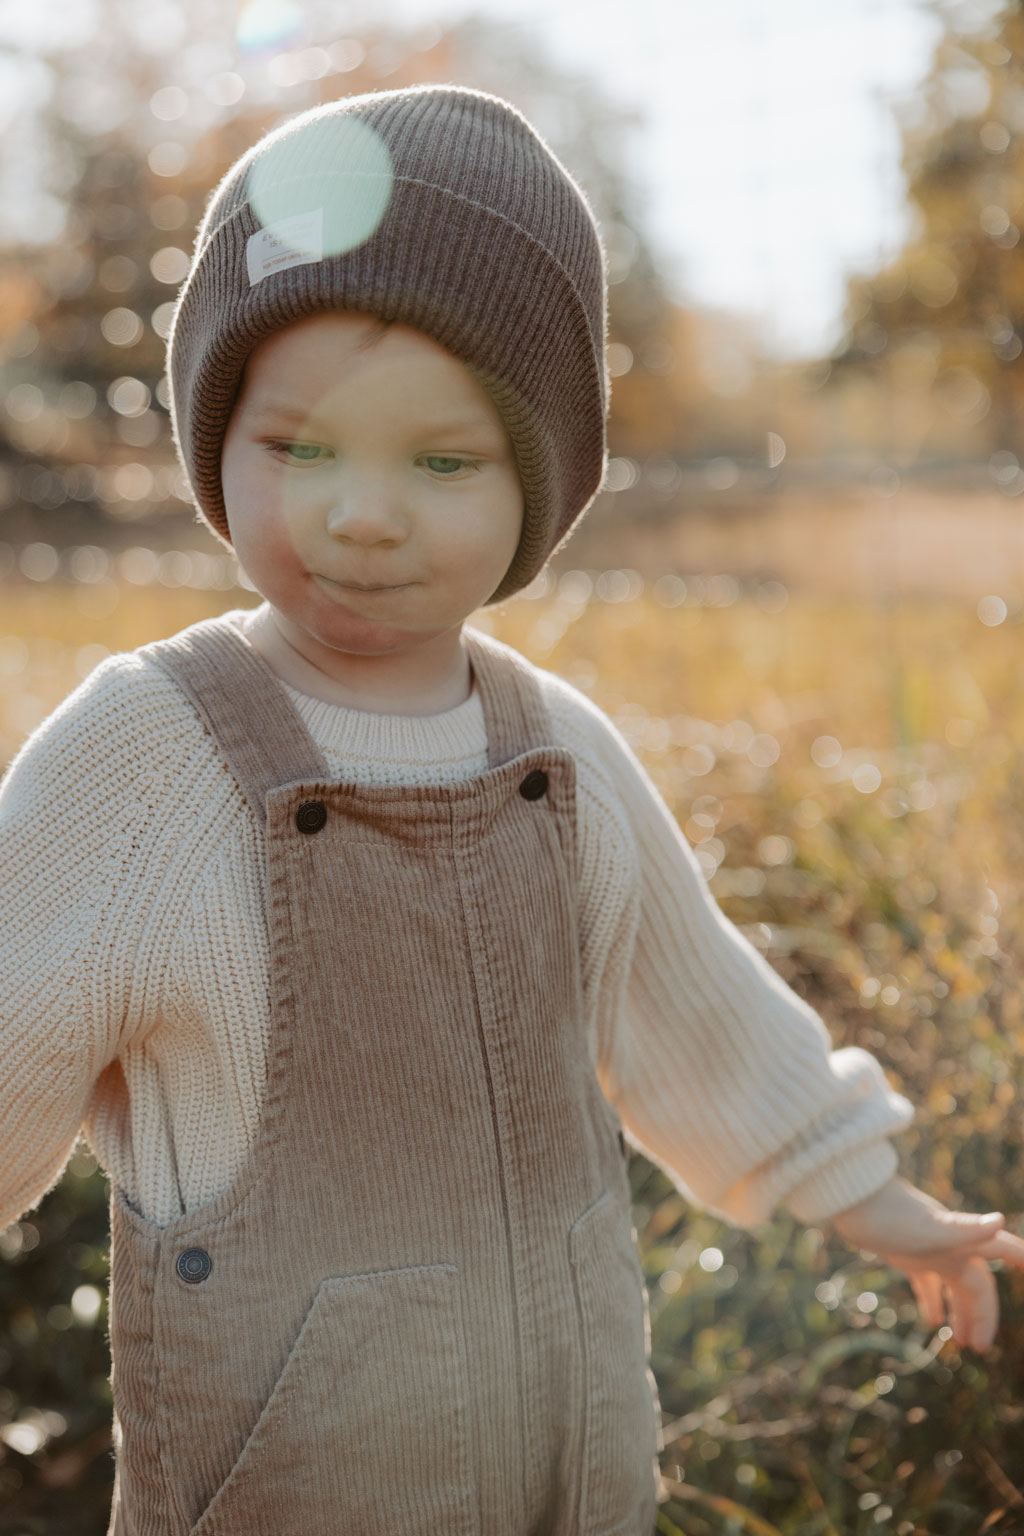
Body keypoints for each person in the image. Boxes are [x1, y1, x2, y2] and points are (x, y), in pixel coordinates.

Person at [0, 84, 1021, 1536]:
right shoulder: (150, 755)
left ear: (542, 489)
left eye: (442, 461)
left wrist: (866, 1190)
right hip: (281, 1488)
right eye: (298, 447)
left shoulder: (561, 759)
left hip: (571, 1463)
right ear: (215, 440)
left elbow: (694, 1000)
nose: (362, 512)